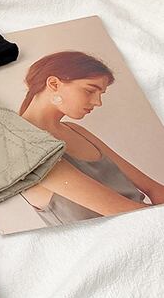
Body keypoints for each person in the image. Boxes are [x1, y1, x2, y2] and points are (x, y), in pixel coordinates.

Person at [18, 51, 164, 226]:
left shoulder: (75, 130)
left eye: (101, 94)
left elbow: (153, 188)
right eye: (90, 90)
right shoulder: (23, 146)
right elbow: (127, 213)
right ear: (54, 84)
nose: (98, 102)